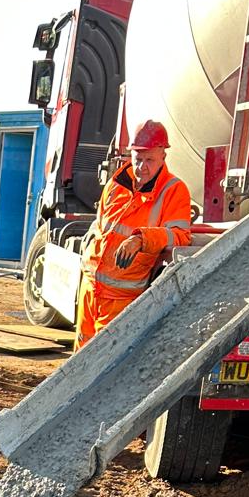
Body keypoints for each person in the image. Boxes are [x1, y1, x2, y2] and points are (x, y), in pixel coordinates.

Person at [75, 119, 192, 349]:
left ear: (163, 157)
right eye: (138, 159)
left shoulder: (174, 191)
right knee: (79, 356)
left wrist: (141, 239)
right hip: (90, 288)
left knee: (103, 362)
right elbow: (99, 229)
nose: (142, 167)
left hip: (122, 299)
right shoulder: (116, 184)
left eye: (150, 160)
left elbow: (180, 236)